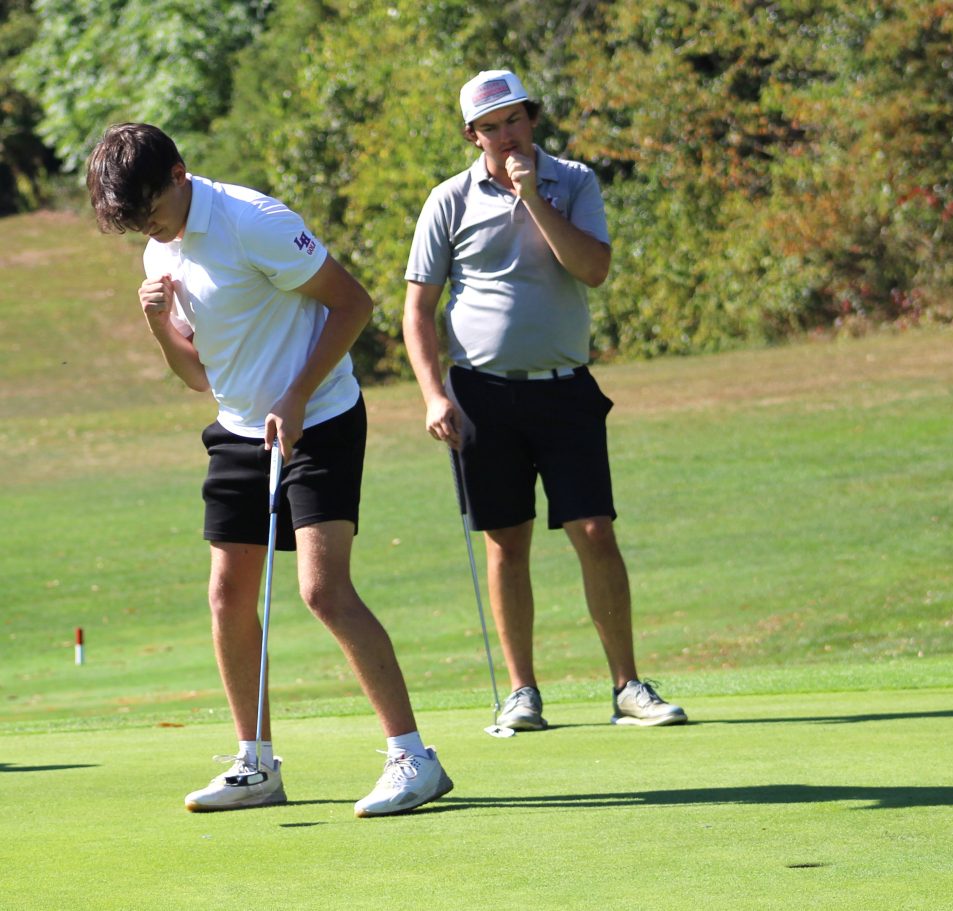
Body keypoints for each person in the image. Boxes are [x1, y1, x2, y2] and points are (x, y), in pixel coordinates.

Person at [86, 123, 452, 816]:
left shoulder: (253, 221)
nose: (148, 229)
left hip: (321, 419)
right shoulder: (159, 251)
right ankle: (255, 764)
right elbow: (197, 376)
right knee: (227, 594)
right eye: (134, 223)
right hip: (238, 429)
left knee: (323, 591)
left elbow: (354, 303)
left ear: (178, 174)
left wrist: (298, 394)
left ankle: (414, 757)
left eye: (151, 211)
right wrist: (158, 324)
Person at [402, 71, 687, 731]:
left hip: (564, 388)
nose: (506, 134)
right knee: (506, 542)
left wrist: (532, 197)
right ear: (472, 136)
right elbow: (417, 310)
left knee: (595, 531)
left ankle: (628, 686)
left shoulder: (574, 181)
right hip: (479, 393)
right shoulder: (447, 200)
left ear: (531, 118)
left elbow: (592, 268)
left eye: (514, 119)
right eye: (490, 126)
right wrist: (431, 394)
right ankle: (522, 692)